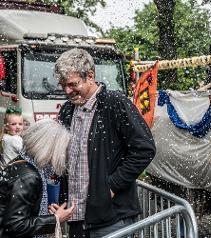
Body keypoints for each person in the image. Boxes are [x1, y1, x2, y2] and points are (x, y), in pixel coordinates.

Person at [54, 48, 156, 238]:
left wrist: (111, 186)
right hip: (77, 218)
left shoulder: (114, 103)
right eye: (62, 85)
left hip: (112, 219)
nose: (67, 91)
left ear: (90, 76)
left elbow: (144, 149)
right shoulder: (68, 110)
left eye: (72, 84)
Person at [0, 119, 75, 238]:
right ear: (50, 148)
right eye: (61, 149)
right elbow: (15, 225)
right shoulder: (29, 176)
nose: (63, 155)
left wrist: (45, 213)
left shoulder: (23, 164)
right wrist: (54, 219)